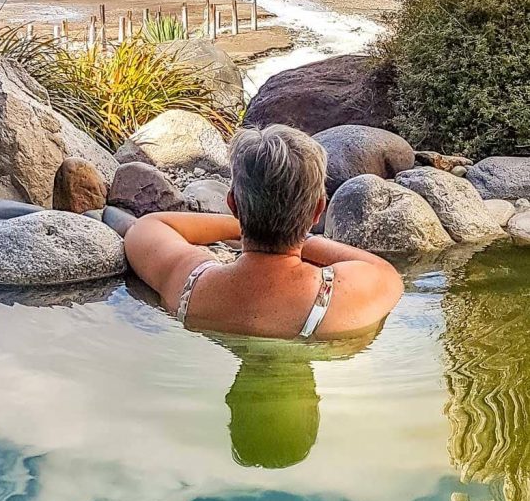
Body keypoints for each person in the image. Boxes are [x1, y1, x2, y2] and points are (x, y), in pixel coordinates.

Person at [123, 124, 404, 340]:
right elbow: (385, 271)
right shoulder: (345, 295)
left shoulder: (189, 284)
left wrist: (246, 224)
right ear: (318, 210)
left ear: (232, 203)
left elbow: (149, 226)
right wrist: (300, 235)